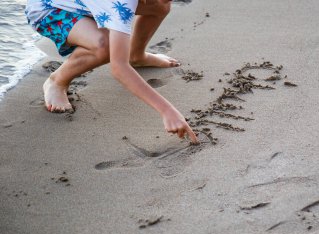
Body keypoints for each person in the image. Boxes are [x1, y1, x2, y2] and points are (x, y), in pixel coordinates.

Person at [25, 0, 198, 143]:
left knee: (159, 5)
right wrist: (167, 110)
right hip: (48, 8)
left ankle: (136, 56)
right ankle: (57, 81)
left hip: (85, 4)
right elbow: (118, 68)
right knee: (105, 46)